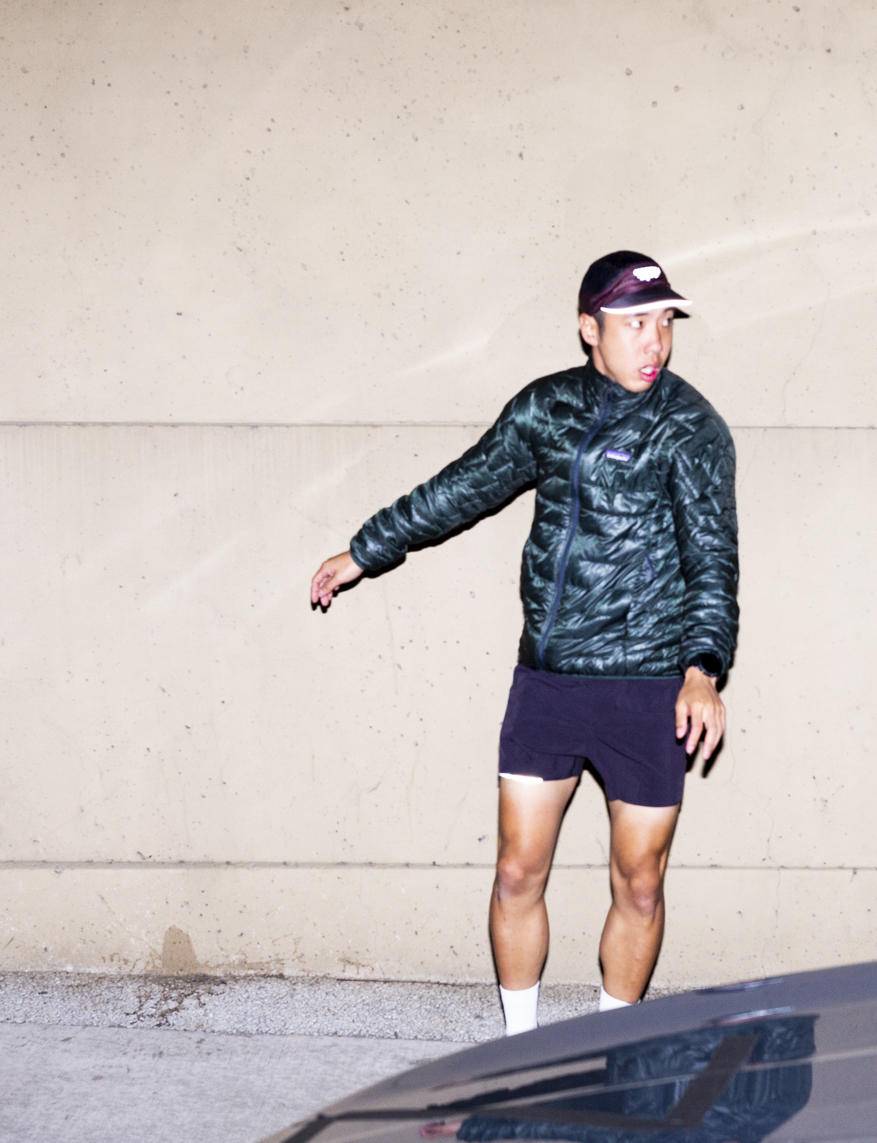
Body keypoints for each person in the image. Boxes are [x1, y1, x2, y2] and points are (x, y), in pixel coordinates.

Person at [310, 250, 739, 1035]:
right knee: (516, 871)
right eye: (634, 323)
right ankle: (519, 1050)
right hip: (550, 682)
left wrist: (703, 668)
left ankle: (614, 1049)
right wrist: (367, 549)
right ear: (589, 328)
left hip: (649, 688)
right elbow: (465, 486)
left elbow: (712, 557)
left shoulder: (692, 427)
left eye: (664, 322)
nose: (654, 341)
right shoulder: (546, 410)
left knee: (640, 884)